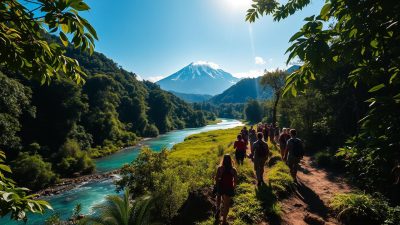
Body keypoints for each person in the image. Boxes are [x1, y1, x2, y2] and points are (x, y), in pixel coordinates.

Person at [215, 154, 238, 224]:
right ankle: (224, 220)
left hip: (221, 186)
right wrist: (233, 188)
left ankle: (218, 209)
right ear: (231, 160)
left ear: (223, 160)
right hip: (229, 187)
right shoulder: (233, 169)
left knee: (218, 198)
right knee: (226, 205)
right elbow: (236, 180)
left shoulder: (220, 168)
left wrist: (217, 186)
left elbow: (216, 178)